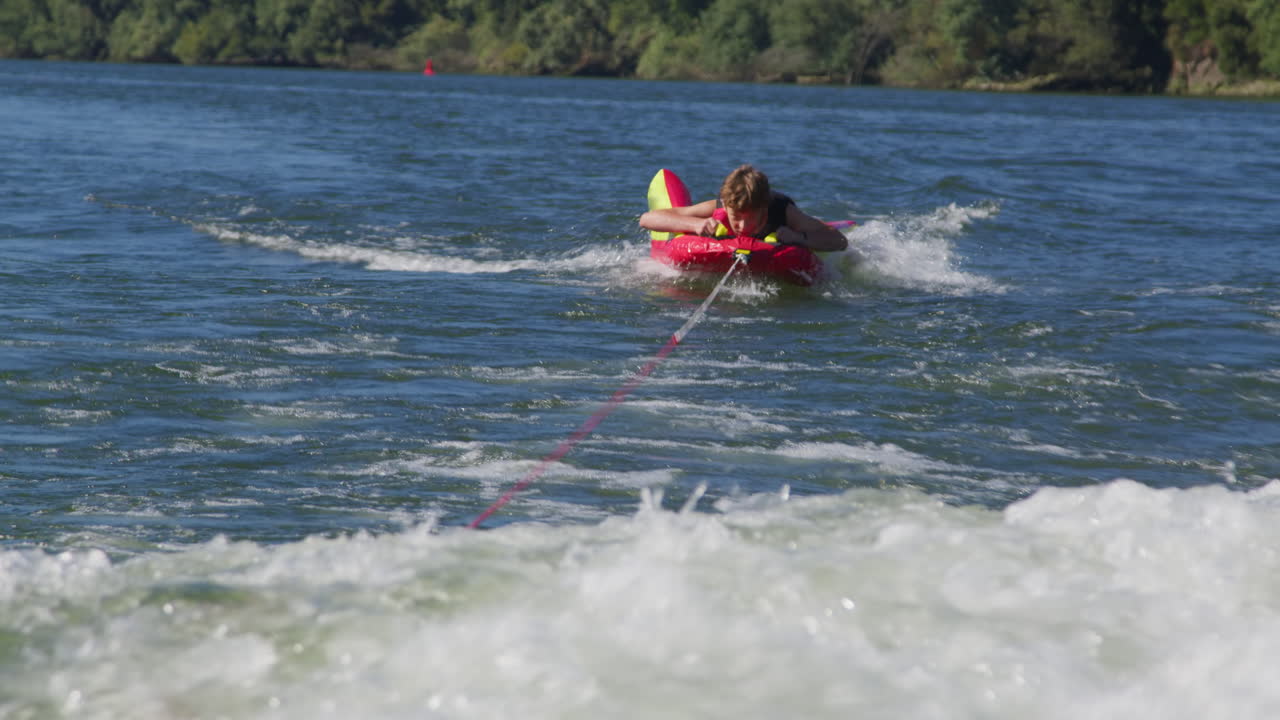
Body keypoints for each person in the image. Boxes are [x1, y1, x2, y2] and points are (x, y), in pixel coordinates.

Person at [638, 164, 848, 252]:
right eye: (736, 217)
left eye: (751, 217)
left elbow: (839, 240)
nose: (743, 225)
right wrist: (696, 224)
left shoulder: (783, 212)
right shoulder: (719, 206)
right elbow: (647, 219)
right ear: (727, 205)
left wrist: (799, 239)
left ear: (764, 208)